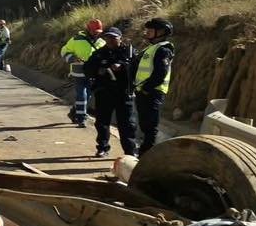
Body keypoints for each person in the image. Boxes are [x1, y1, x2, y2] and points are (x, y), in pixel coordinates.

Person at [84, 27, 137, 157]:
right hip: (104, 93)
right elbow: (87, 68)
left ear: (120, 38)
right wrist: (98, 70)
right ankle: (102, 148)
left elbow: (137, 69)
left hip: (123, 93)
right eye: (108, 37)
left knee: (127, 124)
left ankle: (130, 152)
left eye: (113, 37)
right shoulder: (99, 53)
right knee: (102, 122)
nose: (110, 40)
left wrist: (123, 66)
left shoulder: (129, 53)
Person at [135, 17, 175, 155]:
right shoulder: (151, 48)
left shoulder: (163, 50)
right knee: (145, 125)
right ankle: (144, 151)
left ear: (161, 32)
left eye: (150, 30)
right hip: (144, 92)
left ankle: (146, 154)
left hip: (153, 93)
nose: (147, 33)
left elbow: (161, 72)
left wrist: (147, 89)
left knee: (150, 126)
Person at [59, 19, 106, 127]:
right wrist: (72, 58)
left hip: (92, 74)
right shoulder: (76, 39)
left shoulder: (102, 42)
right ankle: (81, 119)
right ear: (89, 29)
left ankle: (73, 112)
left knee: (87, 96)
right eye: (95, 31)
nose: (96, 33)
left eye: (98, 32)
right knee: (82, 95)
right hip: (78, 73)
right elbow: (64, 51)